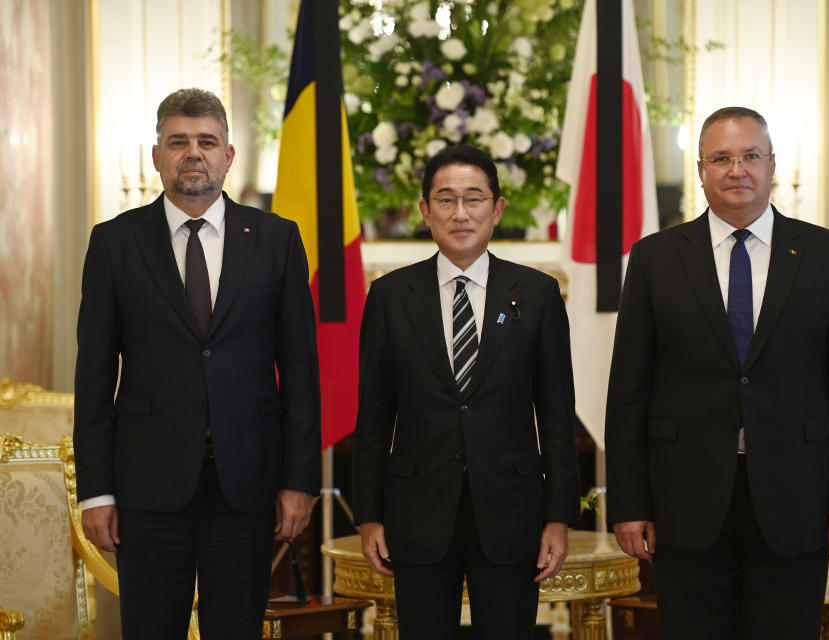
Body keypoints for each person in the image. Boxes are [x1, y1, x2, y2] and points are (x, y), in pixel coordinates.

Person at [605, 106, 829, 639]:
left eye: (751, 155)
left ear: (772, 164)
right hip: (685, 502)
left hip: (796, 498)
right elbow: (628, 394)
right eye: (722, 158)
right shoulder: (654, 258)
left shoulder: (828, 255)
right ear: (702, 171)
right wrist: (629, 504)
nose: (738, 170)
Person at [74, 88, 321, 640]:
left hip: (248, 483)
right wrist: (96, 491)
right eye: (178, 142)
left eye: (207, 142)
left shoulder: (277, 241)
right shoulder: (114, 243)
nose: (193, 153)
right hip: (146, 485)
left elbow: (301, 372)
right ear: (157, 155)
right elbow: (92, 377)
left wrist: (300, 481)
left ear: (228, 155)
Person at [352, 144, 580, 639]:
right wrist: (369, 516)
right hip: (416, 515)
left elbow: (558, 416)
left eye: (474, 198)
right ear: (424, 211)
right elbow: (373, 417)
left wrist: (559, 518)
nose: (460, 213)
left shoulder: (537, 295)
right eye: (446, 199)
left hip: (512, 514)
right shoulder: (391, 297)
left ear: (497, 209)